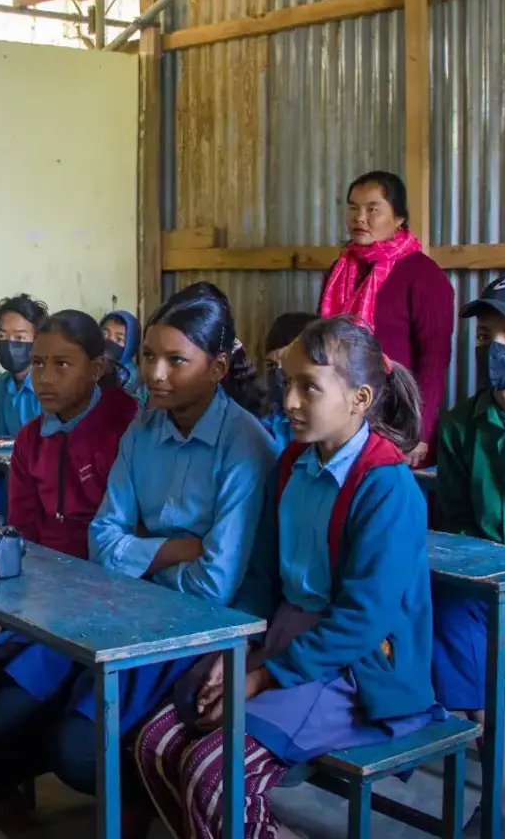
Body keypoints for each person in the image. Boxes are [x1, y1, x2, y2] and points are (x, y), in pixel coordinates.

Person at [0, 282, 276, 836]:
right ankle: (4, 784)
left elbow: (214, 584)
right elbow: (102, 543)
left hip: (197, 629)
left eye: (176, 361)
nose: (155, 374)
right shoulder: (144, 430)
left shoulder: (244, 446)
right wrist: (175, 549)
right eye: (149, 356)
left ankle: (131, 799)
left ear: (217, 367)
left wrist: (138, 554)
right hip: (120, 604)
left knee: (71, 746)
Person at [135, 315, 440, 839]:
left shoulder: (387, 488)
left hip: (354, 668)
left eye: (309, 388)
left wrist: (261, 677)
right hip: (283, 641)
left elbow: (362, 622)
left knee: (214, 771)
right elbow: (261, 579)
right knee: (154, 744)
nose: (290, 402)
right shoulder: (294, 463)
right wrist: (234, 652)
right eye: (286, 383)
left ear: (360, 398)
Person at [0, 310, 138, 833]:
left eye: (62, 364)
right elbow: (23, 538)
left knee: (1, 709)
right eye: (38, 363)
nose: (44, 377)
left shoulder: (128, 430)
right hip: (43, 597)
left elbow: (126, 540)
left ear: (97, 368)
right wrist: (0, 611)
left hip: (108, 604)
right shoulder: (30, 440)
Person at [432, 270, 505, 838]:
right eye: (486, 337)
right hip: (491, 596)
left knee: (457, 620)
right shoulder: (460, 425)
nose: (497, 349)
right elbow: (455, 526)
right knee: (441, 607)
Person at [319, 170, 454, 467]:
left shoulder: (423, 275)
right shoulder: (339, 271)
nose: (359, 218)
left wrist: (419, 433)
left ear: (399, 218)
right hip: (341, 417)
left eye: (373, 209)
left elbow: (434, 360)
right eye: (353, 208)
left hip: (396, 422)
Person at [0, 293, 48, 437]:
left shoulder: (49, 387)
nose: (9, 343)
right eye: (1, 336)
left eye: (19, 337)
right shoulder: (2, 385)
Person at [262, 311, 319, 452]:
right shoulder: (263, 427)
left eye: (288, 366)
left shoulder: (324, 428)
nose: (278, 375)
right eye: (271, 365)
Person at [101, 309, 144, 399]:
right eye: (104, 334)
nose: (109, 341)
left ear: (131, 344)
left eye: (119, 339)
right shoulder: (92, 365)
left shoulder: (137, 379)